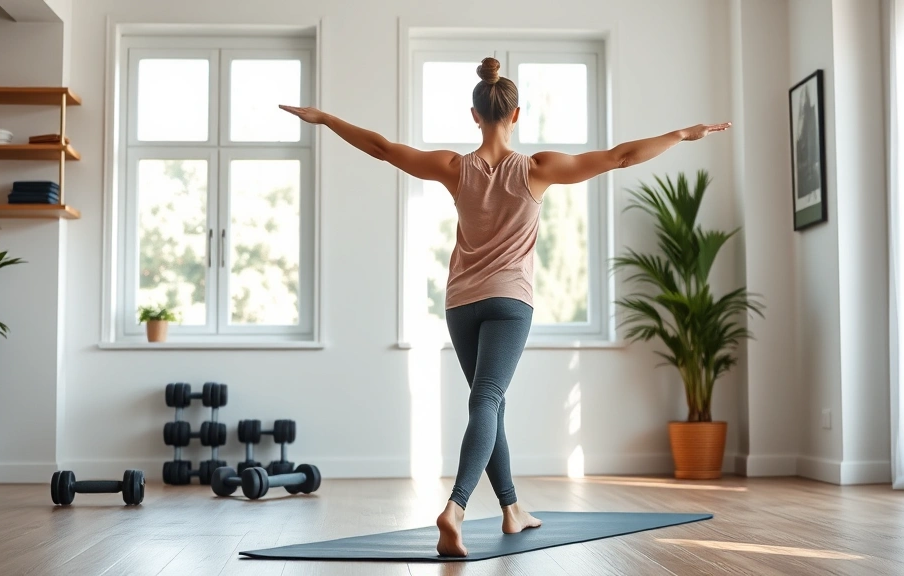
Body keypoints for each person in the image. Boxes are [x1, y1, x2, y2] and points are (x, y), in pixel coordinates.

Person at [280, 56, 730, 557]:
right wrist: (682, 134)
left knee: (487, 403)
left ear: (475, 115)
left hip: (461, 303)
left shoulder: (453, 168)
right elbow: (621, 156)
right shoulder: (537, 169)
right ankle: (456, 508)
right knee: (488, 402)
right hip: (510, 301)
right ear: (516, 115)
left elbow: (384, 149)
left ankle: (513, 510)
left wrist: (327, 119)